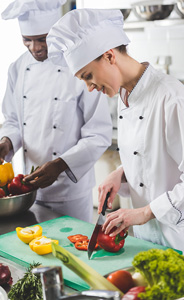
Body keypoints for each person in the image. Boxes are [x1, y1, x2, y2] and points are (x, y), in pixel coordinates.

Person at [46, 8, 184, 252]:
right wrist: (121, 174)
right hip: (146, 241)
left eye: (88, 76)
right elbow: (152, 154)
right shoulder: (124, 95)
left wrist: (144, 212)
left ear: (109, 56)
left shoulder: (172, 98)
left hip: (178, 240)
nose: (89, 88)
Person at [0, 1, 113, 223]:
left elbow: (98, 133)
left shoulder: (81, 67)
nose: (34, 48)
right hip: (27, 188)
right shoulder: (17, 68)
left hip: (70, 192)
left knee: (72, 249)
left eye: (42, 39)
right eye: (27, 40)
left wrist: (60, 165)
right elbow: (14, 119)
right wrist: (7, 142)